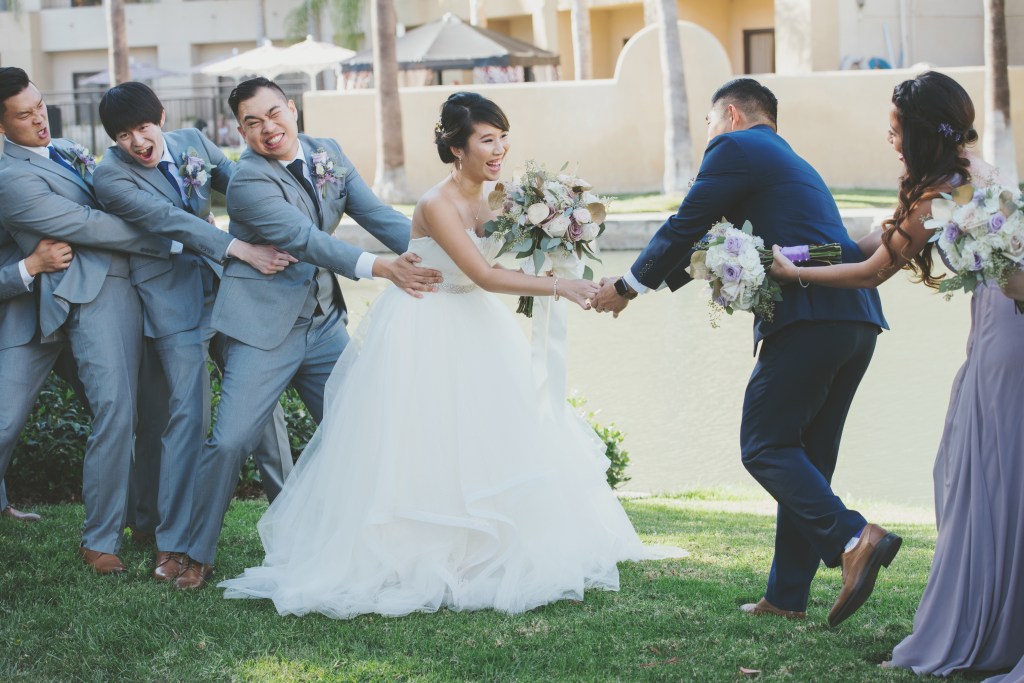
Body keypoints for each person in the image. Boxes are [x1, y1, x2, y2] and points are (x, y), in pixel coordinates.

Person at [219, 92, 684, 618]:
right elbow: (484, 275)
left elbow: (506, 255)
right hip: (428, 322)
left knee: (491, 433)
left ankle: (488, 545)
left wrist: (561, 238)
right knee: (426, 441)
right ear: (456, 149)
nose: (499, 149)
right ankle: (421, 549)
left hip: (474, 323)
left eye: (502, 138)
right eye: (487, 140)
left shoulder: (496, 196)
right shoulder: (437, 203)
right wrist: (564, 289)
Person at [592, 78, 897, 627]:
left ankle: (855, 538)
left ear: (730, 114)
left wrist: (629, 288)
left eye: (709, 124)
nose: (709, 136)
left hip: (809, 319)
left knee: (763, 445)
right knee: (807, 460)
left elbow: (685, 222)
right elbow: (771, 243)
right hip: (856, 319)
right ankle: (786, 597)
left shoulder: (735, 147)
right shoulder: (792, 163)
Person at [771, 71, 1024, 676]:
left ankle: (976, 631)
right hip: (1002, 323)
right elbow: (866, 244)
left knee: (986, 475)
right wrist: (799, 253)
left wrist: (794, 276)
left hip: (1003, 337)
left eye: (894, 129)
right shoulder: (977, 174)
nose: (890, 139)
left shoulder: (942, 194)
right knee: (988, 472)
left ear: (917, 132)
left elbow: (873, 270)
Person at [174, 77, 442, 590]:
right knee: (230, 441)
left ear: (292, 109)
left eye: (273, 114)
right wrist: (383, 269)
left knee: (364, 425)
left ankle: (378, 538)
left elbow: (375, 214)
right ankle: (194, 551)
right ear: (240, 131)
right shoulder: (248, 182)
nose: (266, 128)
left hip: (323, 327)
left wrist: (444, 252)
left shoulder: (329, 153)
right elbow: (305, 240)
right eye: (252, 122)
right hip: (262, 332)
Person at [92, 81, 298, 582]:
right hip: (172, 301)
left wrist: (285, 221)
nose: (137, 142)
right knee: (188, 413)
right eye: (124, 135)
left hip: (229, 292)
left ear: (160, 117)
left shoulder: (193, 143)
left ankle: (297, 519)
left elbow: (241, 186)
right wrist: (240, 248)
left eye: (143, 128)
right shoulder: (109, 178)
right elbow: (168, 221)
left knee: (260, 402)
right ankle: (174, 541)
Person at [0, 67, 175, 575]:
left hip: (114, 293)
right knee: (22, 420)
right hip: (56, 304)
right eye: (24, 115)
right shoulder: (11, 178)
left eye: (39, 106)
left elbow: (113, 189)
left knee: (134, 412)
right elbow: (88, 224)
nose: (39, 119)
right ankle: (90, 533)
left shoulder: (68, 149)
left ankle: (134, 523)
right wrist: (169, 230)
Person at [0, 230, 74, 525]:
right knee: (5, 422)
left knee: (119, 415)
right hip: (21, 320)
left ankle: (144, 517)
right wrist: (30, 266)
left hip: (89, 312)